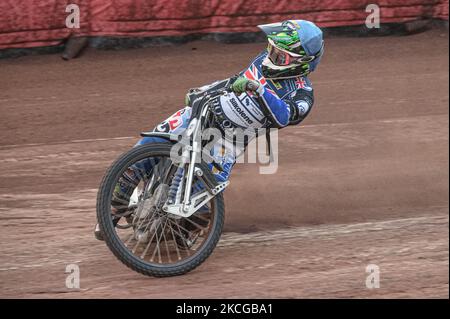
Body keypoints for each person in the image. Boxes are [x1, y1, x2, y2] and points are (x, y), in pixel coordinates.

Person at [95, 19, 324, 240]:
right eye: (271, 48)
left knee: (201, 209)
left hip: (229, 140)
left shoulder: (303, 94)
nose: (270, 55)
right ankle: (114, 212)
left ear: (300, 62)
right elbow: (235, 80)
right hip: (204, 111)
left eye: (279, 54)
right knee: (148, 147)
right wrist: (204, 90)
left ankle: (181, 232)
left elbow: (283, 117)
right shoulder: (263, 60)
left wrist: (259, 90)